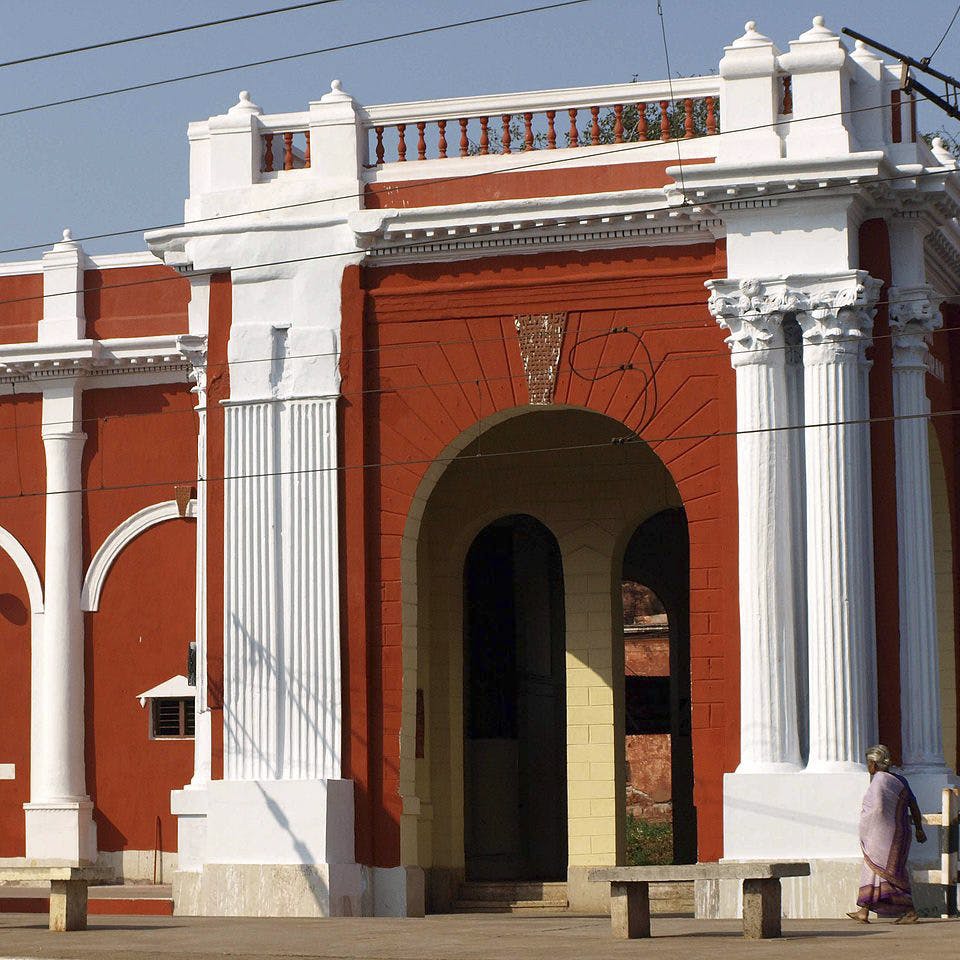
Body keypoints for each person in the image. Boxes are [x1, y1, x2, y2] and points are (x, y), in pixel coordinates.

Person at [847, 744, 926, 924]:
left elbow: (875, 810)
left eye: (868, 763)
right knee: (873, 869)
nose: (868, 767)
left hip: (884, 835)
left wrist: (868, 826)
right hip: (896, 834)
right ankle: (863, 911)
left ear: (874, 764)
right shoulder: (899, 781)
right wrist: (919, 828)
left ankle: (911, 911)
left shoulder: (879, 781)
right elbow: (913, 805)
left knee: (893, 873)